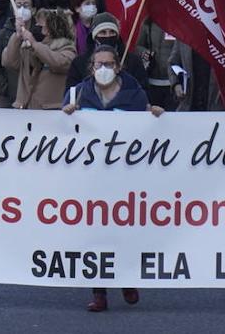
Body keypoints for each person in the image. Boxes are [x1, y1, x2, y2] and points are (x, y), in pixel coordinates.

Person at [62, 45, 163, 312]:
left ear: (118, 67)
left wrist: (157, 117)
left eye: (109, 64)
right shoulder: (78, 93)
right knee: (94, 234)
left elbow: (149, 129)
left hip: (124, 177)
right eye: (99, 65)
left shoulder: (134, 94)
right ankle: (99, 292)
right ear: (91, 68)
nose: (103, 69)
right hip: (90, 177)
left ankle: (126, 279)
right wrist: (66, 115)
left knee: (124, 230)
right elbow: (61, 133)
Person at [0, 0, 75, 110]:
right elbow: (9, 62)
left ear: (51, 28)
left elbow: (60, 63)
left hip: (50, 109)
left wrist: (35, 44)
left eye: (41, 25)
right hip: (26, 106)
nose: (36, 26)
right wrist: (16, 37)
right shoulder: (27, 46)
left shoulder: (66, 46)